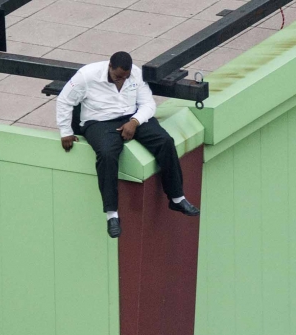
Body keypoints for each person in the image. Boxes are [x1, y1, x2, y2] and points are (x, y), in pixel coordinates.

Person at [56, 51, 200, 239]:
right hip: (99, 121)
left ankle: (176, 197)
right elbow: (64, 101)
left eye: (125, 77)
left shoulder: (136, 74)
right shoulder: (86, 76)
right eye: (117, 77)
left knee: (165, 142)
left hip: (132, 116)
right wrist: (65, 131)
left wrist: (135, 121)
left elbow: (148, 104)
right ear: (109, 67)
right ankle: (112, 214)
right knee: (107, 154)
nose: (121, 81)